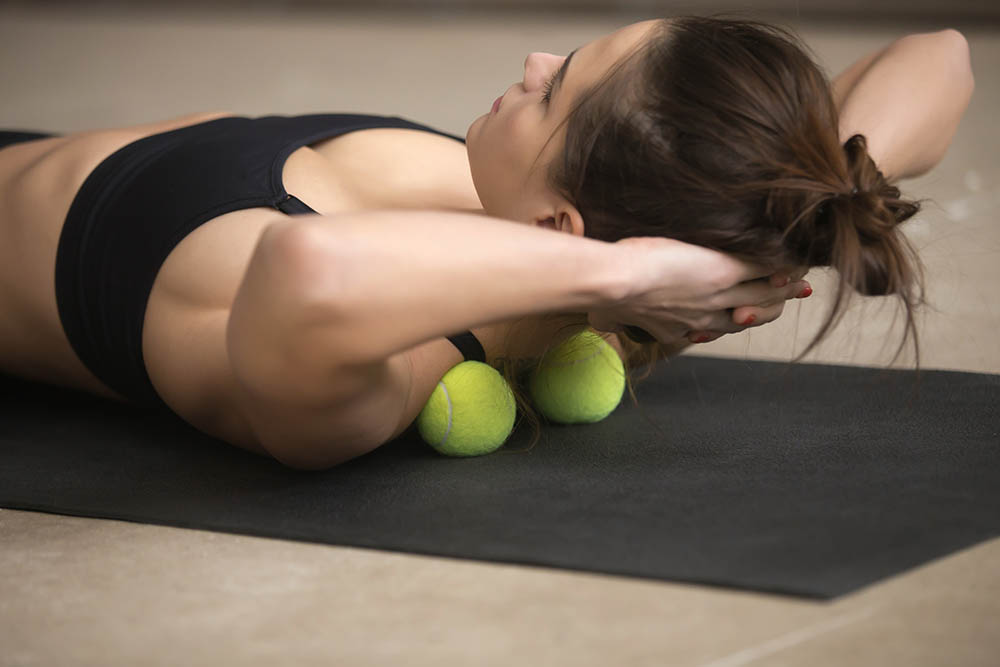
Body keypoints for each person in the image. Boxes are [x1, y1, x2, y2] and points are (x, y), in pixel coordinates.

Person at [0, 17, 973, 470]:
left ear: (562, 231)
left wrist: (635, 273)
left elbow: (309, 269)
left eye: (556, 91)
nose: (533, 62)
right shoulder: (526, 202)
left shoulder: (399, 367)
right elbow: (940, 52)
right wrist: (817, 190)